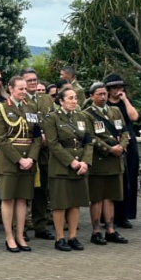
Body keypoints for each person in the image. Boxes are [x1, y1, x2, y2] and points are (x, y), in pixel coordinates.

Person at [0, 77, 39, 253]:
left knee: (22, 200)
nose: (23, 91)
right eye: (20, 88)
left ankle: (20, 235)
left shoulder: (31, 108)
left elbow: (36, 136)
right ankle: (9, 236)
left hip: (28, 160)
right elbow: (1, 140)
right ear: (10, 89)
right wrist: (19, 159)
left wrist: (31, 159)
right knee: (8, 199)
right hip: (10, 162)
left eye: (25, 88)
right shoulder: (2, 109)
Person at [44, 87, 92, 252]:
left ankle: (72, 236)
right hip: (61, 167)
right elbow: (53, 144)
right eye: (70, 98)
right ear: (61, 101)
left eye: (75, 98)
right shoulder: (52, 118)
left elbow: (88, 141)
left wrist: (85, 162)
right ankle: (60, 238)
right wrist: (71, 161)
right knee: (60, 204)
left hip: (79, 165)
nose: (74, 101)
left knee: (75, 202)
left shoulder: (82, 117)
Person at [85, 83, 130, 245]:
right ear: (91, 96)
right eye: (99, 94)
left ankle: (110, 230)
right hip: (99, 161)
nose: (103, 97)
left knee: (110, 197)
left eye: (104, 94)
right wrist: (109, 149)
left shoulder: (115, 111)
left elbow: (124, 132)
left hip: (115, 160)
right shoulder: (88, 114)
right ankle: (96, 231)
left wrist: (122, 146)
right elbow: (90, 137)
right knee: (96, 198)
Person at [23, 68, 56, 240]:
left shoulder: (46, 99)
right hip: (26, 151)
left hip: (44, 152)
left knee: (42, 191)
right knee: (24, 192)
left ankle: (40, 226)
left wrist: (47, 136)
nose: (33, 83)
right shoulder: (19, 100)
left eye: (35, 80)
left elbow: (52, 120)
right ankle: (20, 228)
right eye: (29, 80)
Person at [104, 74, 140, 229]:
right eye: (115, 88)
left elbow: (134, 117)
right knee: (113, 180)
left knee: (129, 179)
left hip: (128, 141)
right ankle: (107, 216)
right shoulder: (104, 104)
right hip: (111, 141)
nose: (118, 90)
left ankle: (124, 215)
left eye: (120, 87)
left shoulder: (125, 102)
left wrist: (125, 100)